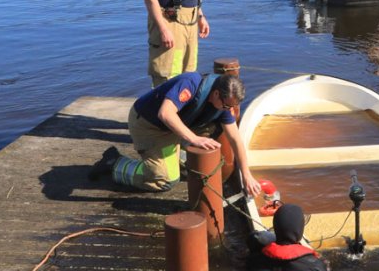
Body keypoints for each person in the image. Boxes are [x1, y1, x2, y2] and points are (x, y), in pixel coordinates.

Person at [89, 72, 261, 196]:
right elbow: (165, 114)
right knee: (165, 181)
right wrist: (194, 139)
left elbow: (235, 139)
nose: (228, 110)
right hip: (149, 126)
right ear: (216, 94)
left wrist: (246, 174)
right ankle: (115, 163)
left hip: (173, 128)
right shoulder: (190, 83)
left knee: (196, 165)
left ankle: (176, 156)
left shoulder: (223, 103)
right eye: (226, 106)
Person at [247, 203, 331, 271]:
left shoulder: (255, 260)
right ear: (299, 231)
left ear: (275, 227)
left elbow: (253, 237)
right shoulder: (316, 267)